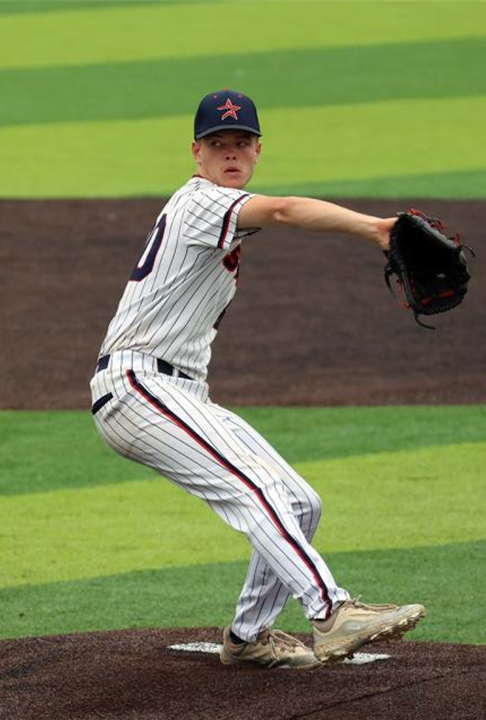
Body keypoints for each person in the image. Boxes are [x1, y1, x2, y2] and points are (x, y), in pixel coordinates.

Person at [90, 89, 425, 670]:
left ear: (257, 150)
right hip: (138, 387)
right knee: (258, 491)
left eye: (241, 142)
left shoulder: (221, 212)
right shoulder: (200, 202)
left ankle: (247, 637)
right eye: (217, 143)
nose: (230, 152)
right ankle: (331, 611)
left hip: (177, 392)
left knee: (300, 502)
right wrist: (377, 228)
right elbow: (285, 210)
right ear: (196, 153)